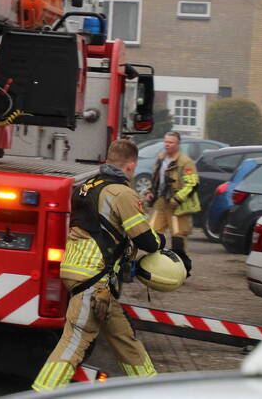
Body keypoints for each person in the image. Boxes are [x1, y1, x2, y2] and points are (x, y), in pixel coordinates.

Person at [32, 139, 164, 392]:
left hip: (81, 272)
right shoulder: (122, 193)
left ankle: (150, 389)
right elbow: (146, 239)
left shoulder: (86, 186)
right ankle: (42, 392)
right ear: (132, 164)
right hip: (94, 278)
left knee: (123, 337)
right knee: (75, 340)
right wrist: (163, 242)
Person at [145, 131, 198, 276]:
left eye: (171, 142)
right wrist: (150, 192)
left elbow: (192, 184)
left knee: (178, 238)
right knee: (153, 235)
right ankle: (155, 267)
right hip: (161, 202)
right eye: (166, 141)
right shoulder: (161, 158)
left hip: (177, 206)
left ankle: (182, 271)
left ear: (178, 144)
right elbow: (155, 178)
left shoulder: (186, 162)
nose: (167, 145)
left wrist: (177, 199)